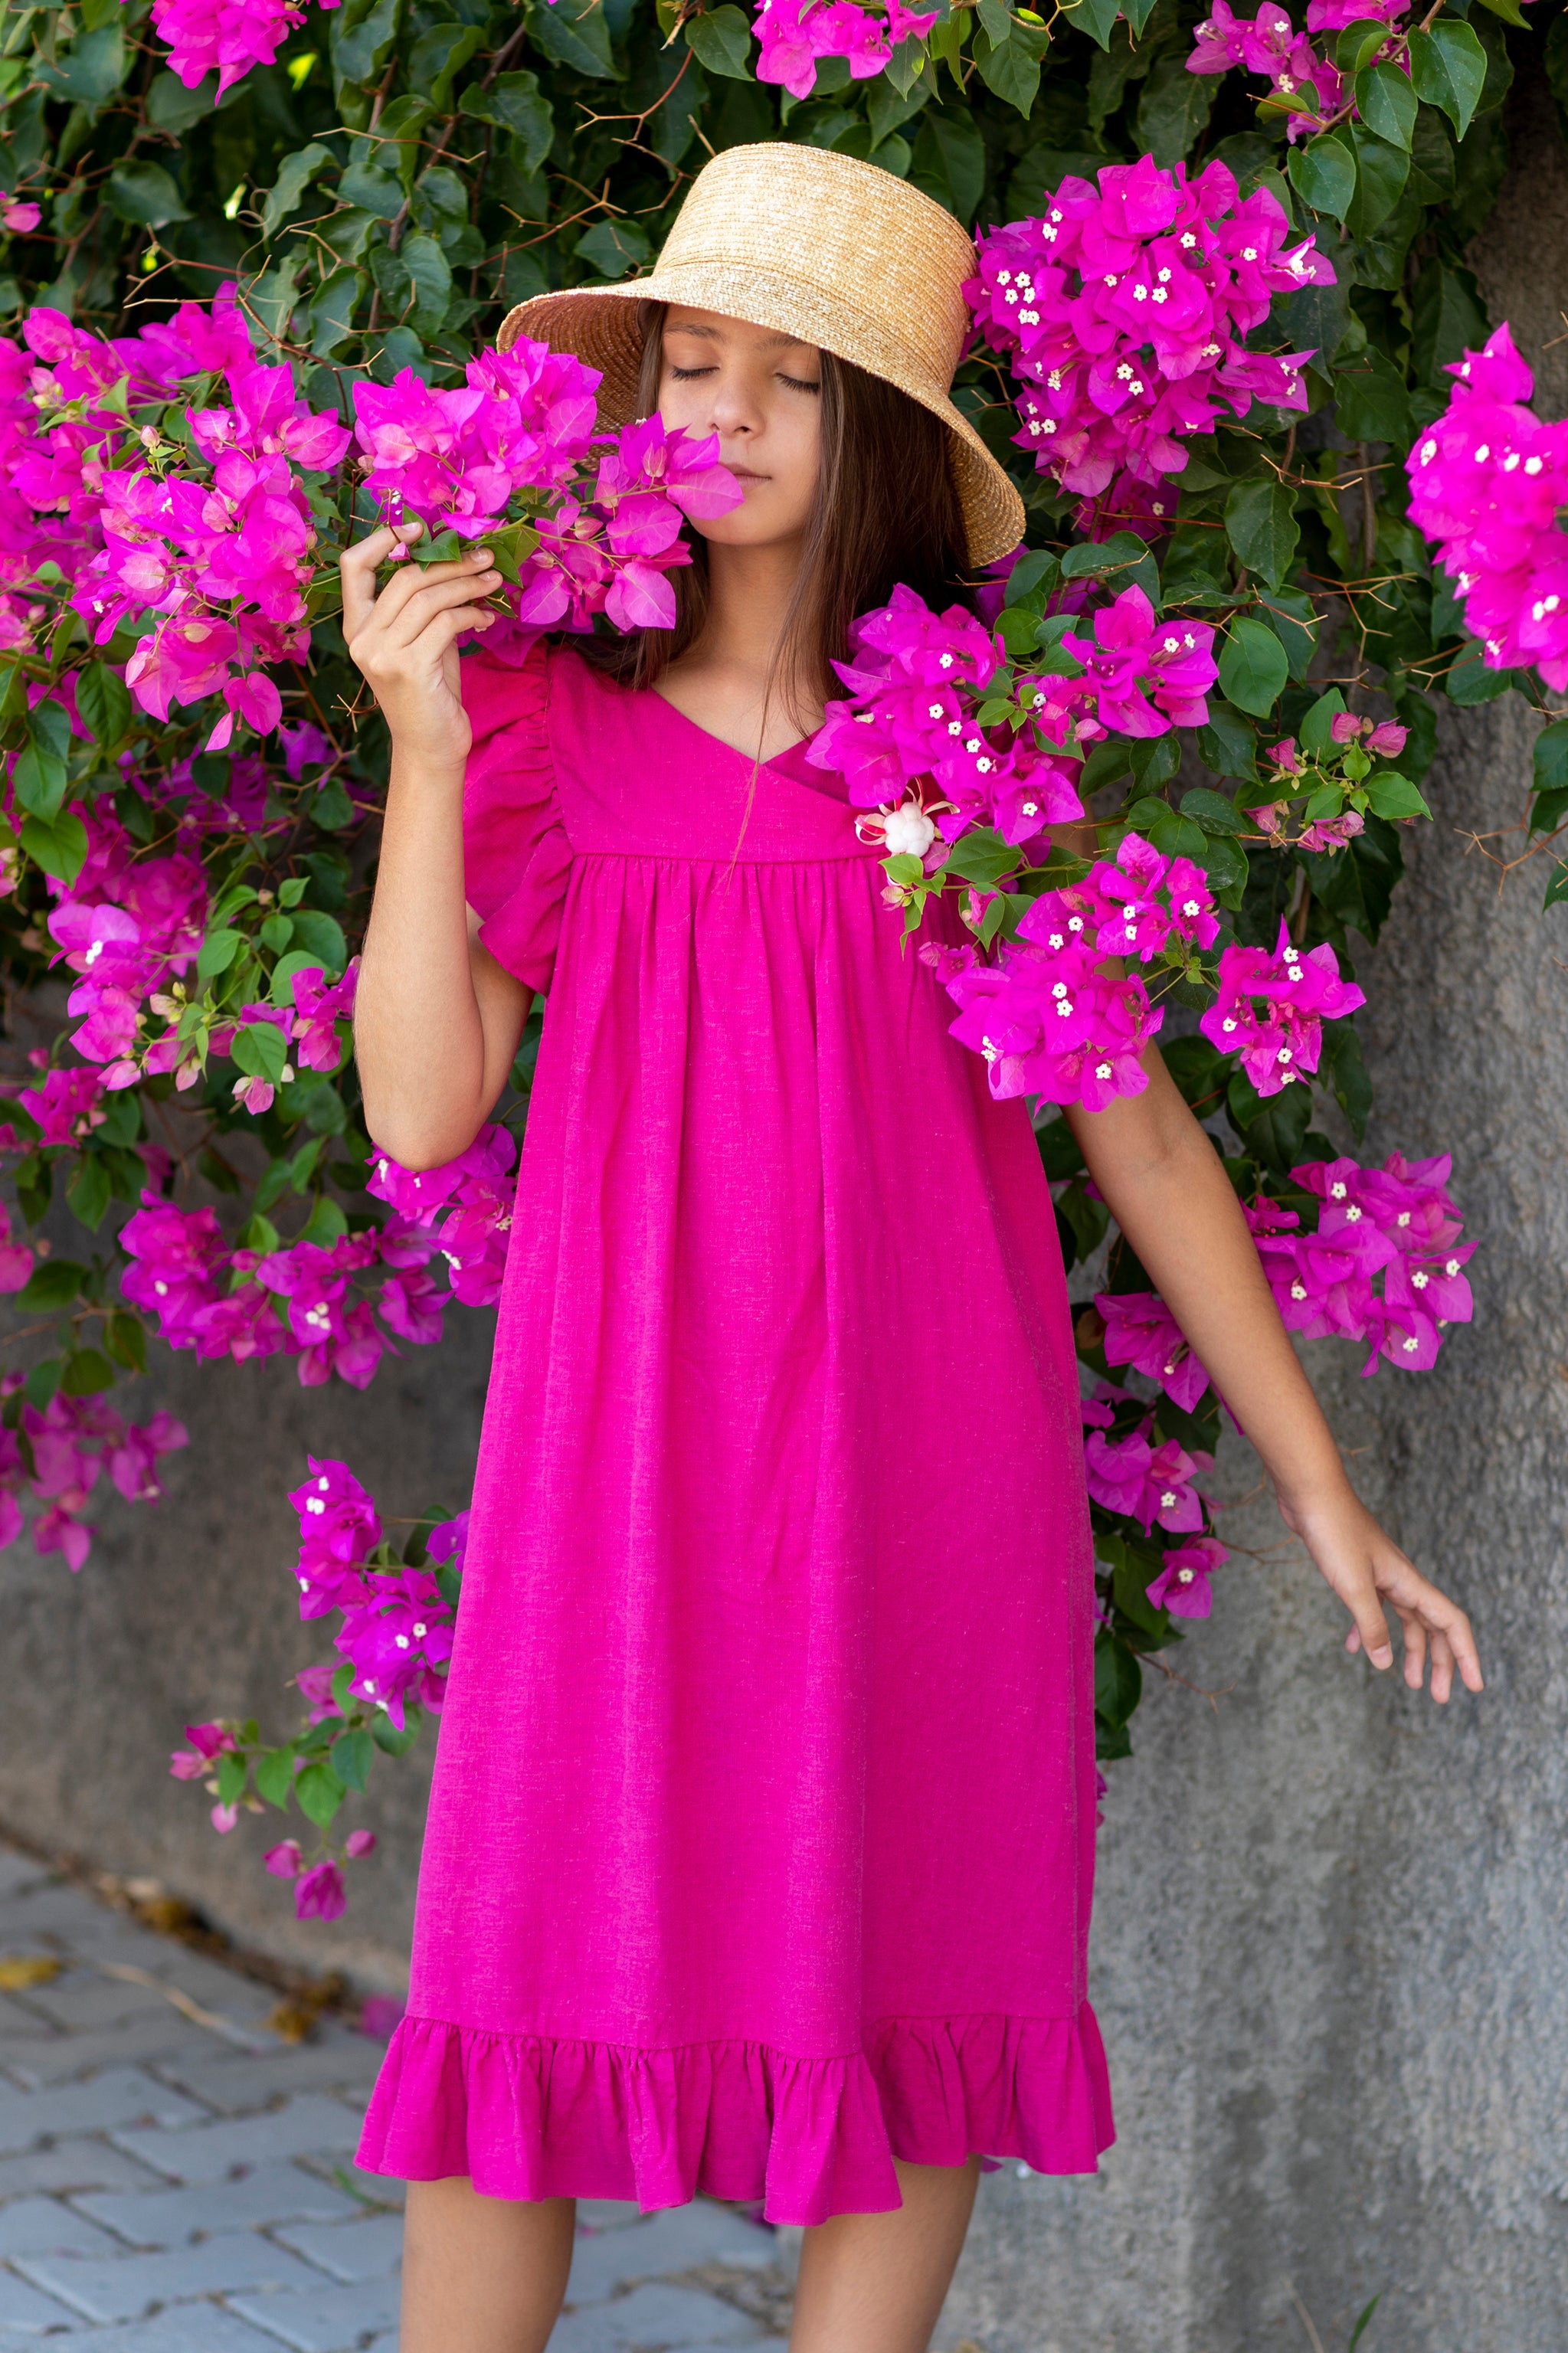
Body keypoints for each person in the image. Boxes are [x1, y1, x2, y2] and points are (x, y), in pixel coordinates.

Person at [341, 142, 1482, 2353]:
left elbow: (1146, 1140)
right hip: (617, 1474)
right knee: (520, 1991)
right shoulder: (546, 733)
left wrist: (1324, 1488)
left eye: (792, 380)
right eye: (691, 364)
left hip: (922, 1468)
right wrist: (420, 749)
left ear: (877, 435)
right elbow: (418, 1111)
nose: (727, 416)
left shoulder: (967, 758)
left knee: (921, 1975)